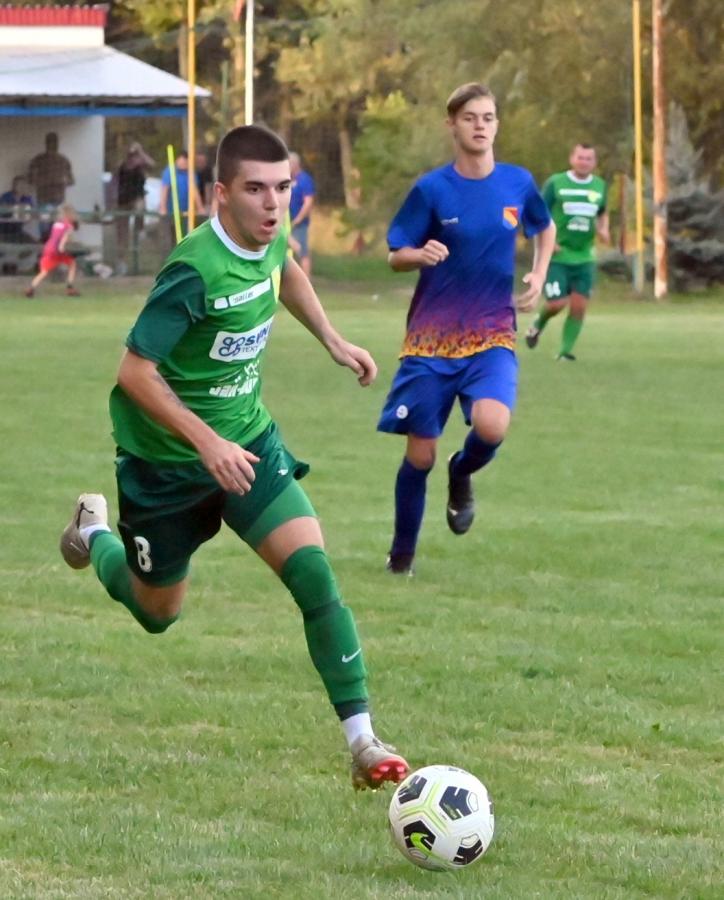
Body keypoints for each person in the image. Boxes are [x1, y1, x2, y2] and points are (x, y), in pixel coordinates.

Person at [58, 124, 409, 791]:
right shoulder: (193, 270)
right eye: (255, 189)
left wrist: (332, 339)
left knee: (313, 574)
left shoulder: (269, 234)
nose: (273, 204)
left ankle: (364, 742)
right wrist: (206, 442)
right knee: (157, 614)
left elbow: (285, 271)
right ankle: (93, 531)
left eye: (282, 187)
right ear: (220, 193)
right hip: (164, 467)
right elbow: (134, 372)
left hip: (248, 443)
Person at [378, 83, 556, 575]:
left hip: (492, 333)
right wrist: (418, 254)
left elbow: (544, 227)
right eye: (470, 117)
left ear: (497, 125)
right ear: (452, 125)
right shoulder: (432, 189)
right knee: (420, 455)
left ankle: (462, 471)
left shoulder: (517, 183)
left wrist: (539, 274)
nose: (480, 125)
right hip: (431, 340)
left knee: (492, 424)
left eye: (488, 117)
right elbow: (395, 254)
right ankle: (401, 558)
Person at [525, 143, 609, 360]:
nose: (584, 162)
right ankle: (538, 323)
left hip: (585, 256)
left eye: (588, 159)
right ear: (572, 159)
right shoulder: (556, 183)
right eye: (580, 157)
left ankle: (564, 352)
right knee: (557, 303)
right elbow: (538, 212)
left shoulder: (599, 186)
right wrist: (547, 240)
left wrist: (603, 229)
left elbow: (602, 212)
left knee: (579, 306)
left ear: (594, 162)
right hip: (558, 256)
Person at [25, 203, 81, 298]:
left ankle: (31, 288)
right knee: (72, 264)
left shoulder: (56, 224)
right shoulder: (69, 226)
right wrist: (62, 247)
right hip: (58, 250)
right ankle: (70, 288)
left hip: (48, 248)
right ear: (70, 214)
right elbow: (65, 237)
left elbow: (55, 236)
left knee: (44, 272)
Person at [116, 141, 155, 275]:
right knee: (122, 234)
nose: (133, 158)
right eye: (131, 155)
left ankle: (140, 229)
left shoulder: (140, 166)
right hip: (123, 201)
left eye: (135, 155)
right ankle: (121, 262)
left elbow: (151, 164)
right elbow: (122, 166)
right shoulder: (123, 166)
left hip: (137, 198)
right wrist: (129, 154)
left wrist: (141, 152)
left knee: (140, 206)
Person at [159, 150, 204, 243]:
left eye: (186, 163)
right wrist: (163, 208)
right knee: (168, 239)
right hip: (170, 212)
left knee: (183, 238)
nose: (184, 165)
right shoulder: (170, 171)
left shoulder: (191, 173)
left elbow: (195, 191)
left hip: (185, 213)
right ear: (177, 160)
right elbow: (165, 190)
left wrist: (200, 208)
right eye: (182, 162)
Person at [27, 131, 75, 207]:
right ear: (46, 143)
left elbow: (71, 181)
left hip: (59, 199)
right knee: (43, 214)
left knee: (61, 215)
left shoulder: (64, 160)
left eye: (55, 142)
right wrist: (47, 180)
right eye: (50, 141)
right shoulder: (37, 160)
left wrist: (63, 181)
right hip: (43, 199)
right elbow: (31, 180)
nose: (52, 144)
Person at [289, 152, 315, 277]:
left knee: (302, 252)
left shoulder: (304, 180)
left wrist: (298, 219)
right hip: (285, 223)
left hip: (299, 224)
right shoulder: (288, 180)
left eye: (288, 164)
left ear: (295, 164)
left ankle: (306, 281)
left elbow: (308, 202)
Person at [0, 176, 35, 242]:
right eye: (18, 184)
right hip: (5, 229)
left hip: (19, 229)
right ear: (13, 186)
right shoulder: (6, 196)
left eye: (23, 184)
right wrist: (18, 207)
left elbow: (32, 212)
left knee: (32, 242)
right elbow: (3, 209)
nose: (21, 187)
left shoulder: (27, 198)